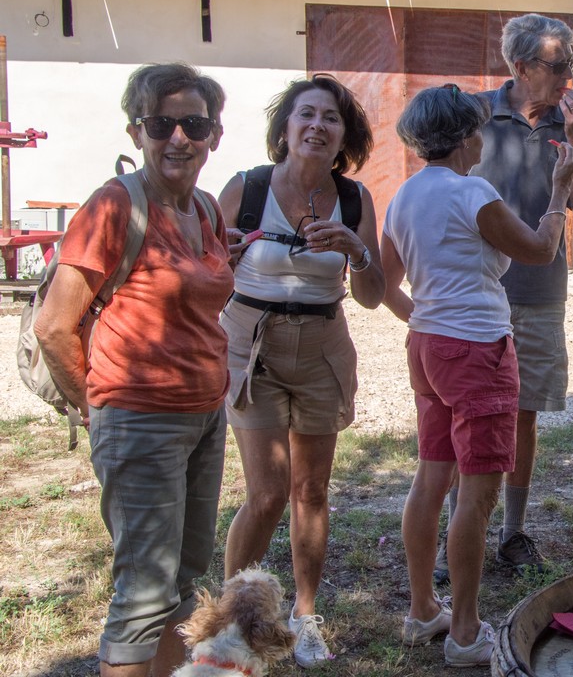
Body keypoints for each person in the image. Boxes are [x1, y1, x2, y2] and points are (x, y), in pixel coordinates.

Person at [34, 63, 233, 677]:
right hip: (139, 418)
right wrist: (98, 413)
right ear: (136, 131)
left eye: (193, 124)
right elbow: (52, 325)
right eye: (161, 123)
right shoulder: (114, 205)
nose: (179, 137)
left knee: (183, 579)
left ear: (214, 135)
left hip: (204, 417)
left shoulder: (204, 208)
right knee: (143, 593)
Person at [381, 85, 573, 666]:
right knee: (477, 492)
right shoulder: (473, 191)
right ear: (470, 136)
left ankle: (424, 610)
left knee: (431, 477)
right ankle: (465, 632)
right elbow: (541, 250)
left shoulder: (404, 195)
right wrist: (560, 190)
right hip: (477, 349)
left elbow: (386, 283)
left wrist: (428, 320)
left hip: (429, 344)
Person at [217, 74, 385, 667]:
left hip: (322, 345)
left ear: (344, 136)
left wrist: (356, 250)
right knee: (266, 494)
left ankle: (305, 617)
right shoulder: (247, 186)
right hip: (252, 343)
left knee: (311, 490)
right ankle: (234, 620)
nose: (317, 126)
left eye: (331, 118)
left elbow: (371, 293)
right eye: (306, 115)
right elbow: (201, 266)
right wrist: (224, 256)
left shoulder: (356, 199)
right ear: (285, 129)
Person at [463, 12, 573, 571]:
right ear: (520, 66)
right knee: (472, 414)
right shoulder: (474, 112)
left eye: (572, 61)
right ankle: (463, 528)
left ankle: (513, 532)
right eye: (557, 64)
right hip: (478, 291)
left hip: (542, 291)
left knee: (524, 414)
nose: (568, 75)